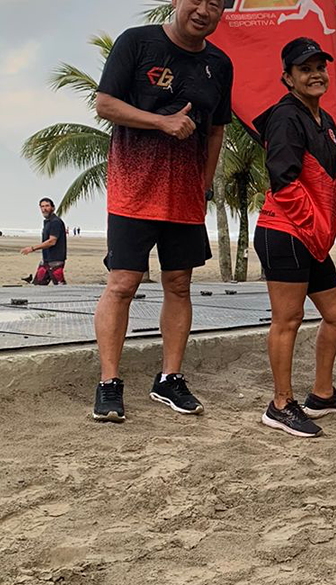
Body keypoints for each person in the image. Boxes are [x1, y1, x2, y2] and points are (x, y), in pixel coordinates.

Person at [91, 0, 233, 423]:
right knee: (122, 284)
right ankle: (109, 382)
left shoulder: (220, 64)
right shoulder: (137, 43)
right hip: (134, 188)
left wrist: (204, 185)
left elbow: (216, 130)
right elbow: (105, 104)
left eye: (215, 4)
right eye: (196, 0)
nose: (203, 10)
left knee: (179, 284)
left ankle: (169, 378)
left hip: (185, 194)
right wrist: (161, 122)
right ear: (176, 1)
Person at [252, 37, 336, 438]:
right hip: (285, 232)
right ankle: (280, 405)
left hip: (310, 236)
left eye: (319, 67)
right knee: (288, 319)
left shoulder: (325, 120)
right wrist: (316, 229)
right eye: (305, 69)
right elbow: (284, 183)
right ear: (288, 78)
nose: (315, 75)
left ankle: (322, 394)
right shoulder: (285, 117)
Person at [21, 198, 67, 285]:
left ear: (53, 208)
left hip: (56, 261)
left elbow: (52, 241)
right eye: (42, 206)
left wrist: (32, 248)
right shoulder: (48, 222)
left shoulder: (56, 222)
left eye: (47, 206)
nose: (44, 209)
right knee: (38, 285)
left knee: (60, 286)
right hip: (46, 260)